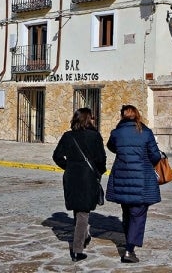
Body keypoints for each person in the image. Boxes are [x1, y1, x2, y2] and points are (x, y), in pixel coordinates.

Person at [105, 104, 162, 263]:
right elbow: (155, 156)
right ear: (137, 115)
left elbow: (111, 147)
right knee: (138, 214)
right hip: (141, 179)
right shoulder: (146, 132)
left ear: (122, 116)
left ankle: (128, 241)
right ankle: (129, 250)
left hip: (122, 177)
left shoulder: (116, 133)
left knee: (127, 211)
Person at [52, 107, 106, 262]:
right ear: (88, 119)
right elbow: (101, 159)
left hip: (71, 176)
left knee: (78, 208)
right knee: (83, 212)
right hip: (87, 177)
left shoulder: (67, 136)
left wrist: (68, 166)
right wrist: (98, 172)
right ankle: (77, 250)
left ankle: (84, 235)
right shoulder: (95, 136)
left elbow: (56, 156)